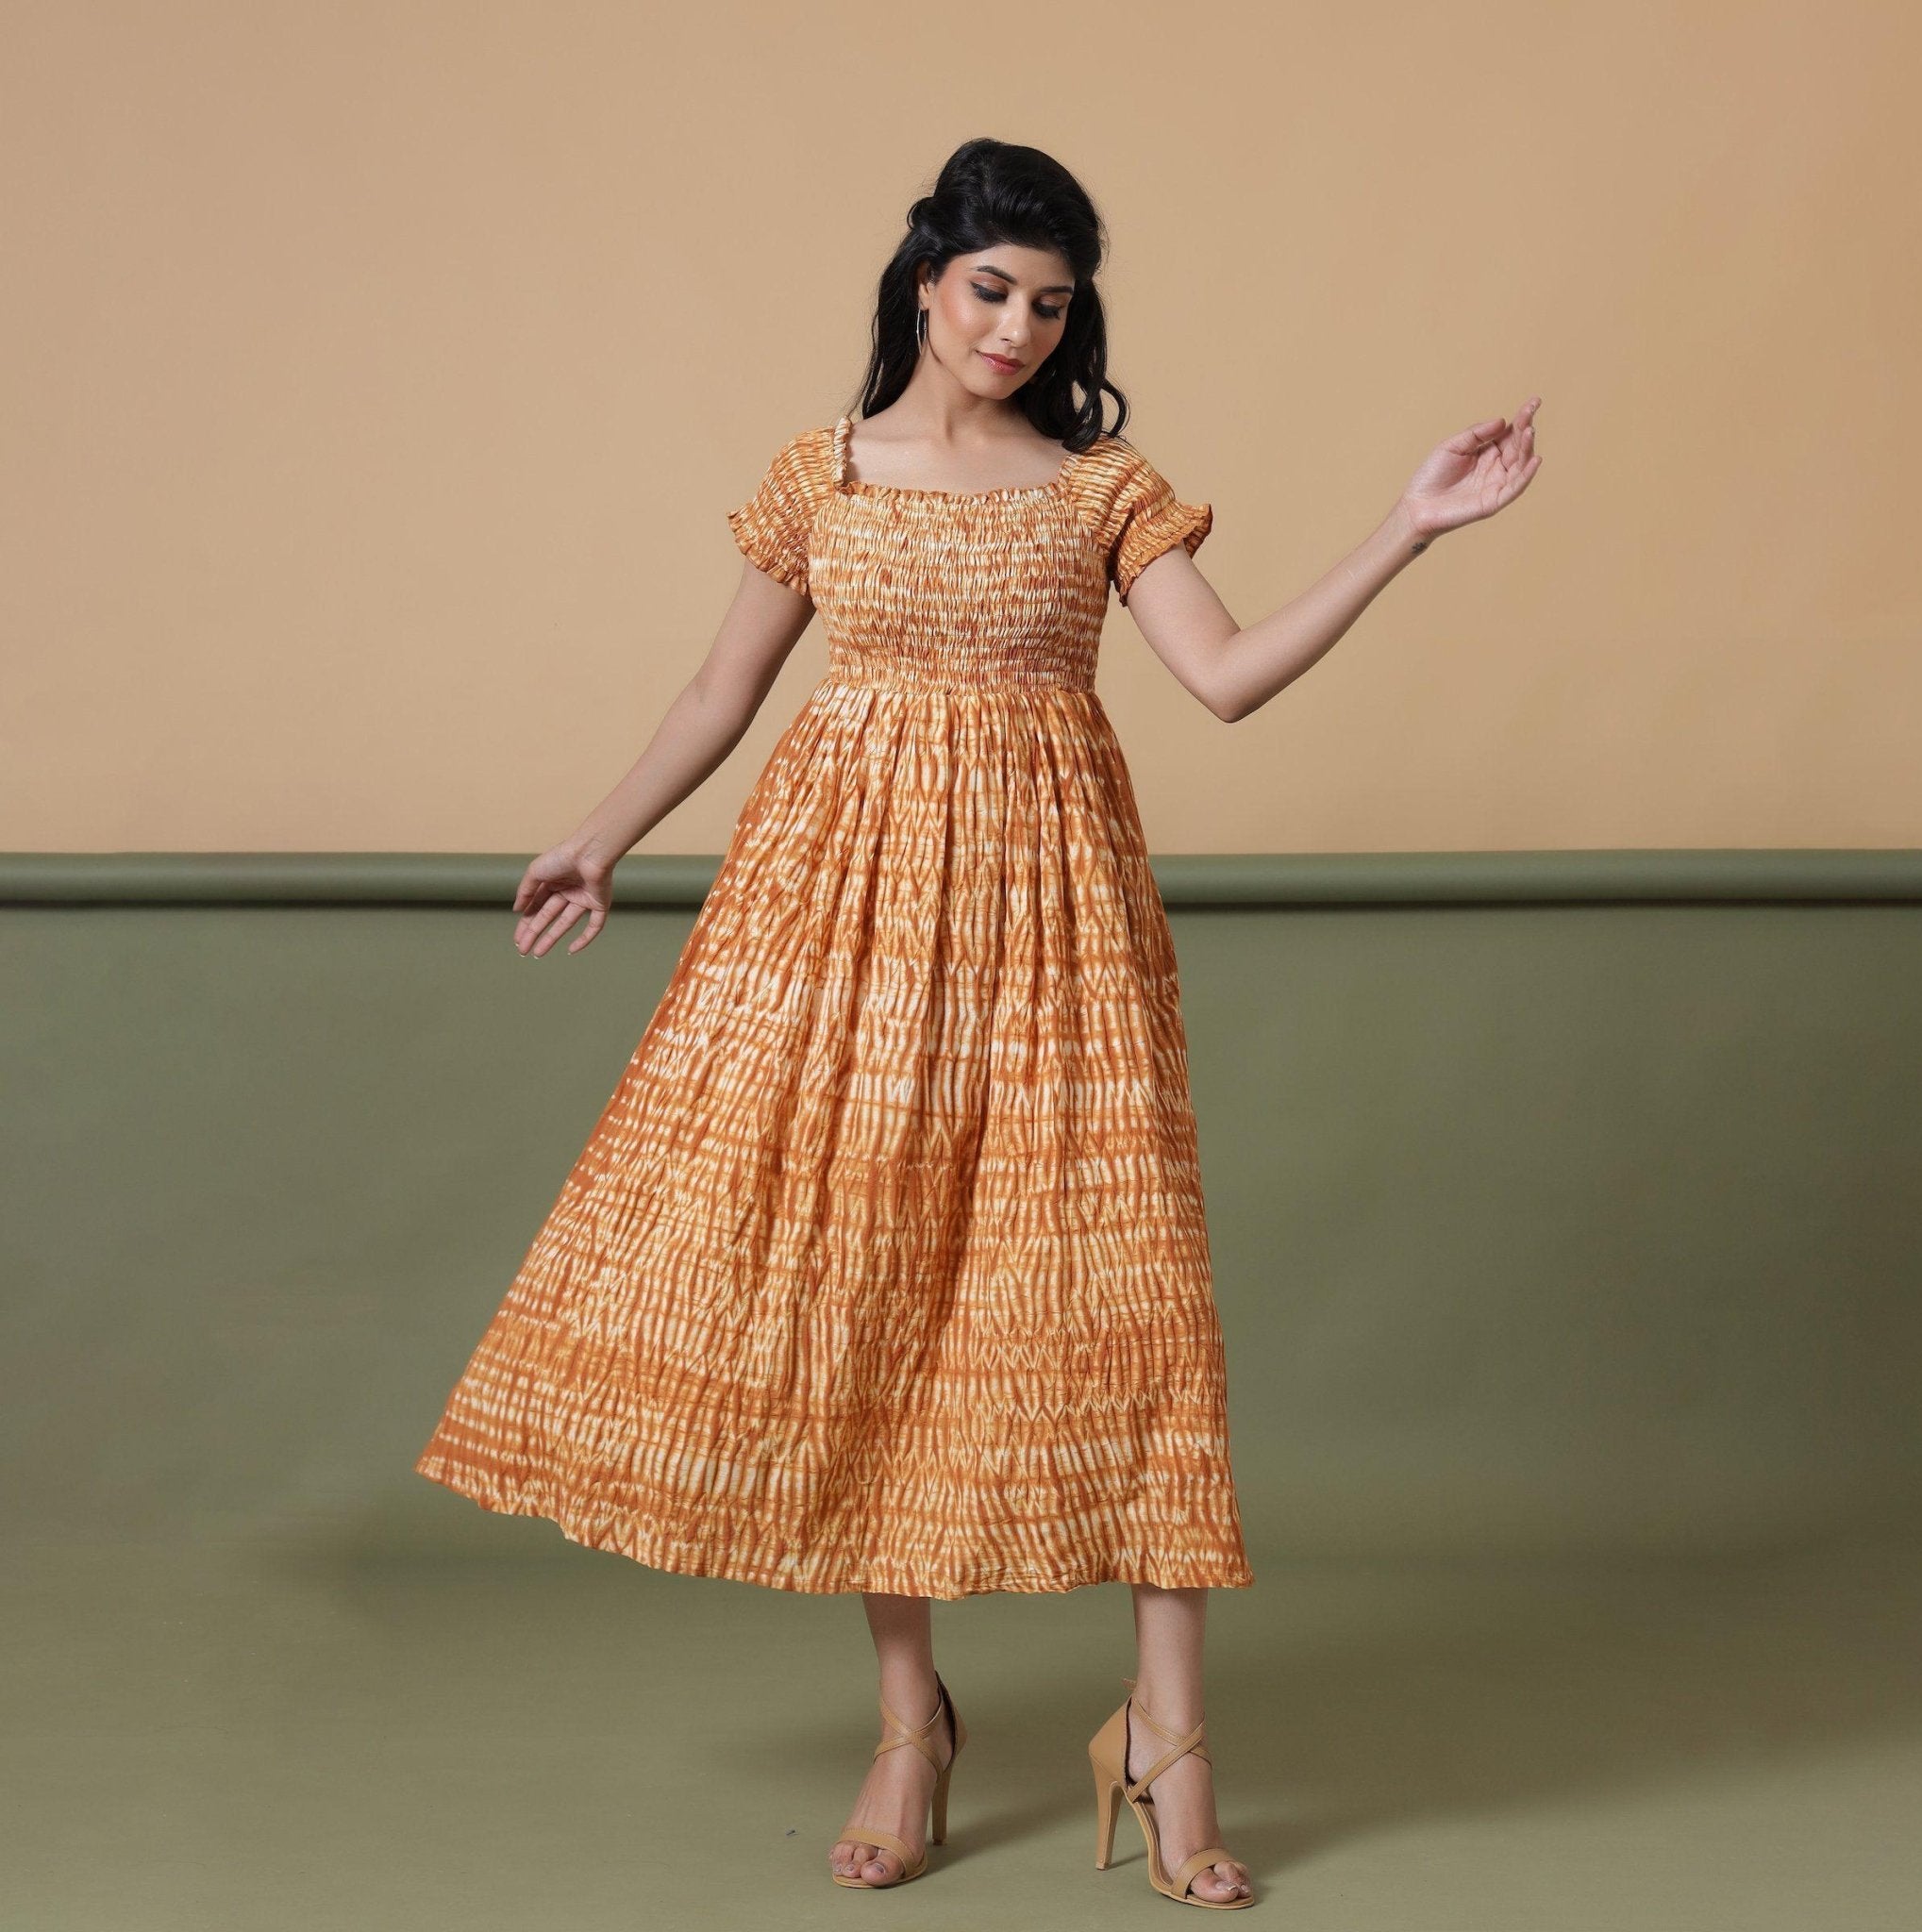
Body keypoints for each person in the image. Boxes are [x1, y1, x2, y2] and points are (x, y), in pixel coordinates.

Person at [414, 136, 1540, 1910]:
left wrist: (1412, 525)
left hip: (1057, 929)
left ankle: (1170, 1737)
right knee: (874, 1293)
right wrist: (600, 836)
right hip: (844, 923)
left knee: (1127, 1300)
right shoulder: (821, 474)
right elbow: (721, 686)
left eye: (1053, 305)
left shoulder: (1103, 489)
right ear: (926, 282)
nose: (1018, 329)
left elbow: (1228, 680)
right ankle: (908, 1725)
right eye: (993, 290)